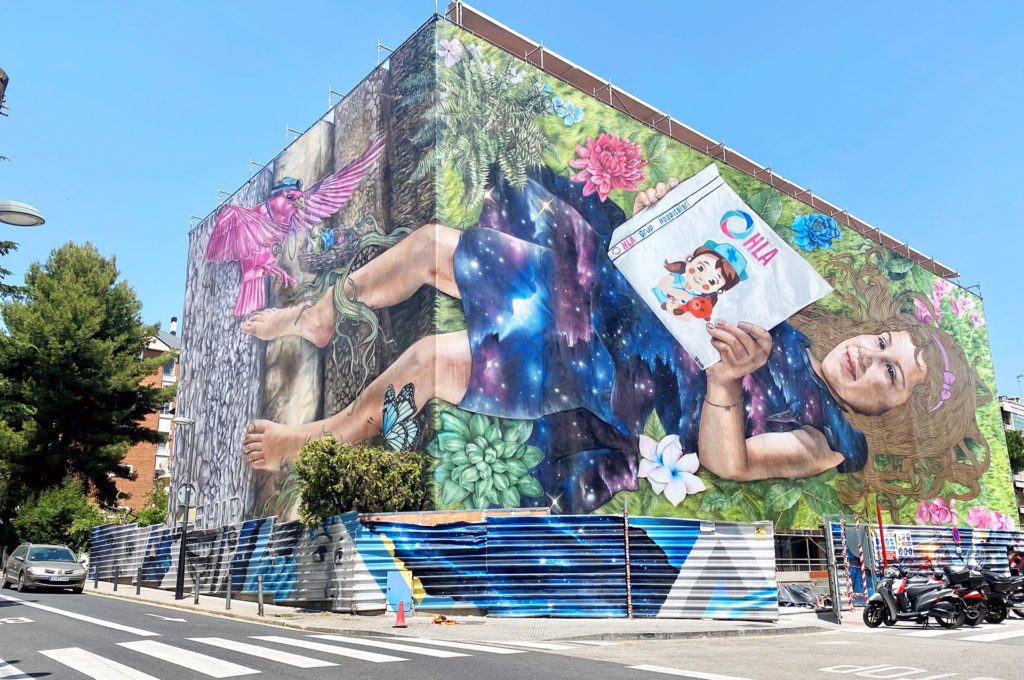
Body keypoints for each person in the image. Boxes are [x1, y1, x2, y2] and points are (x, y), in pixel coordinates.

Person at [239, 166, 988, 513]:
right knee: (431, 245)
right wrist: (663, 219)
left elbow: (729, 462)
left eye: (890, 374)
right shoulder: (793, 313)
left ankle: (319, 436)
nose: (869, 357)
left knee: (431, 361)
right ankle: (317, 315)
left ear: (895, 416)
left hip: (601, 369)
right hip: (596, 290)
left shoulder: (825, 440)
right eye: (883, 342)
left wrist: (725, 382)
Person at [653, 240, 747, 317]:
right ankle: (665, 303)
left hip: (684, 308)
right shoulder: (682, 271)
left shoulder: (708, 296)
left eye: (712, 281)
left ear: (720, 289)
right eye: (700, 268)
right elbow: (678, 270)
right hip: (667, 293)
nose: (701, 277)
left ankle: (671, 307)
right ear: (691, 259)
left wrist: (704, 309)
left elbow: (707, 308)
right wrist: (672, 270)